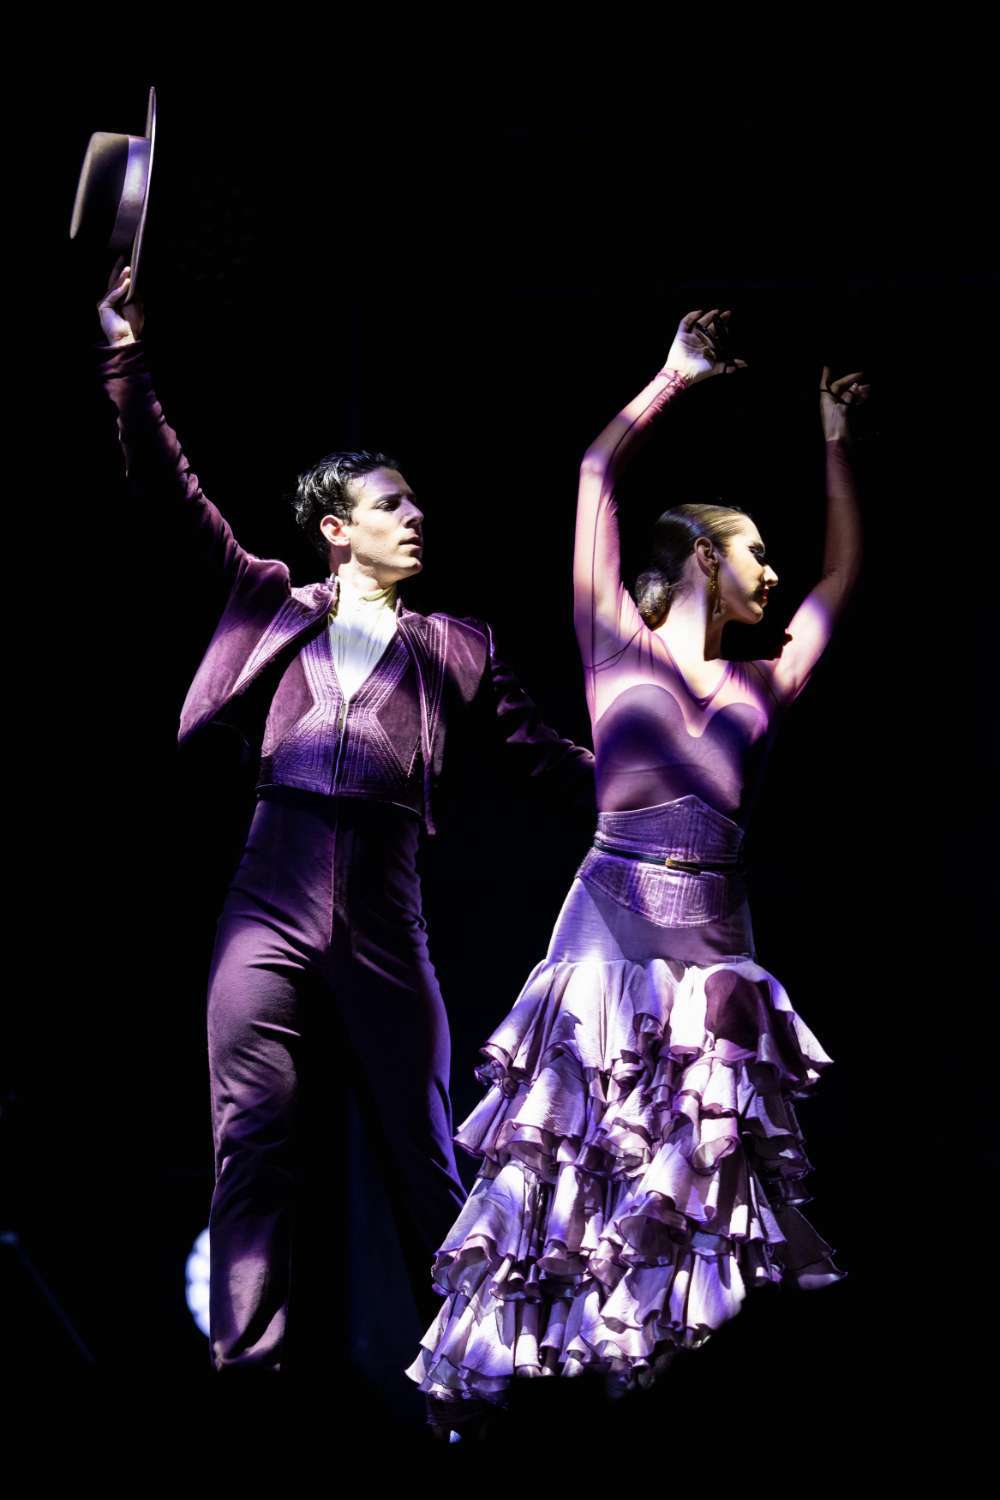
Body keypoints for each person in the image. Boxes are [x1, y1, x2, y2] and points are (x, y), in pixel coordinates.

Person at [93, 260, 594, 1380]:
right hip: (267, 889)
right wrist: (124, 355)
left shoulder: (458, 645)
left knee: (421, 1149)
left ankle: (472, 1360)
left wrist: (653, 787)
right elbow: (172, 491)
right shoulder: (268, 596)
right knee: (251, 1140)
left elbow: (542, 761)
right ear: (336, 530)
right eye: (391, 503)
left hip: (383, 897)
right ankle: (244, 1367)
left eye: (414, 503)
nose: (416, 517)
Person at [407, 308, 864, 1438]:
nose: (772, 569)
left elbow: (844, 578)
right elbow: (595, 471)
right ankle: (548, 1395)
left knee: (693, 1187)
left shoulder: (763, 684)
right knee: (577, 1163)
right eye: (756, 548)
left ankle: (675, 1406)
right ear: (703, 556)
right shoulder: (614, 638)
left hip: (713, 949)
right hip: (609, 934)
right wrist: (671, 379)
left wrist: (833, 443)